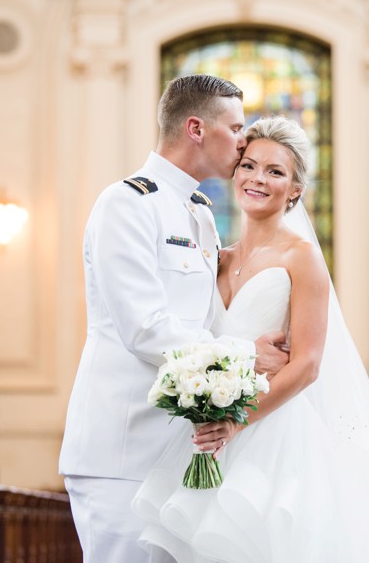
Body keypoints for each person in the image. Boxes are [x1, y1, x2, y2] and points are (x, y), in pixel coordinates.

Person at [133, 116, 369, 563]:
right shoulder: (215, 258)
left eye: (275, 172)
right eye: (249, 165)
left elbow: (307, 365)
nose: (257, 179)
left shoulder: (301, 259)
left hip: (272, 433)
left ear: (296, 188)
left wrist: (237, 421)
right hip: (206, 433)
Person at [59, 75, 290, 563]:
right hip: (121, 449)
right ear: (195, 129)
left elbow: (204, 321)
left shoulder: (202, 213)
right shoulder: (126, 204)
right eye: (235, 128)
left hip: (179, 448)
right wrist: (247, 355)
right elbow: (144, 327)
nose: (244, 141)